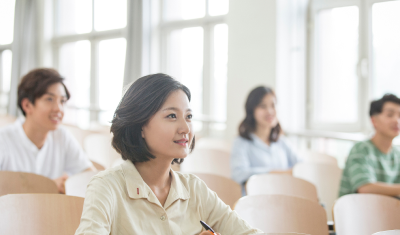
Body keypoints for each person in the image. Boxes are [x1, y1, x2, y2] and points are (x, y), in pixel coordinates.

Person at [75, 74, 262, 235]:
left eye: (188, 117)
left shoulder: (195, 189)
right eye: (171, 116)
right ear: (140, 125)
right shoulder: (106, 187)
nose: (185, 128)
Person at [0, 68, 94, 193]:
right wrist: (47, 186)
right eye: (49, 99)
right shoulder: (4, 140)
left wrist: (70, 183)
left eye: (62, 101)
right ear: (27, 105)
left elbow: (91, 177)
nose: (59, 109)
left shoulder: (62, 136)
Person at [230, 86, 300, 191]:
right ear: (251, 111)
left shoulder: (282, 141)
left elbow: (302, 168)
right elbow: (239, 175)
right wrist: (281, 174)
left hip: (284, 198)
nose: (270, 111)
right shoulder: (241, 142)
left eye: (273, 105)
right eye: (263, 106)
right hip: (255, 201)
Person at [339, 94, 400, 197]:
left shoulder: (397, 154)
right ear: (374, 120)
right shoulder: (361, 149)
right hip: (356, 211)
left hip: (385, 211)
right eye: (390, 115)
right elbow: (365, 188)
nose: (396, 120)